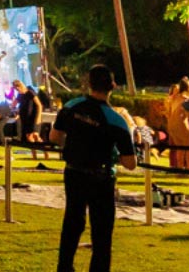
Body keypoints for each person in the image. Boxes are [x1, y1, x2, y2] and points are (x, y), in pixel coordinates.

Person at [50, 65, 137, 272]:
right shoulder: (116, 120)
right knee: (102, 232)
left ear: (89, 84)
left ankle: (64, 267)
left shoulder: (71, 107)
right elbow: (130, 163)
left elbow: (54, 137)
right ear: (113, 86)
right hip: (101, 178)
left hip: (73, 172)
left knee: (72, 222)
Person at [166, 78, 189, 170]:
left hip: (172, 124)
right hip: (181, 124)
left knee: (180, 148)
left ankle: (179, 169)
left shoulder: (174, 98)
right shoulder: (186, 99)